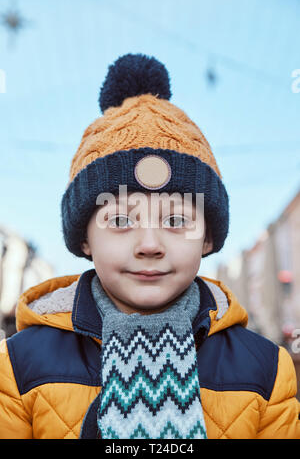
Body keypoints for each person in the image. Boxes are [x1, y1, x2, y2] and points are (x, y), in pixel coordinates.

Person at [0, 54, 299, 439]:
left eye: (176, 221)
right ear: (84, 238)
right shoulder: (17, 366)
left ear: (207, 236)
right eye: (121, 220)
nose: (150, 244)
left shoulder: (267, 370)